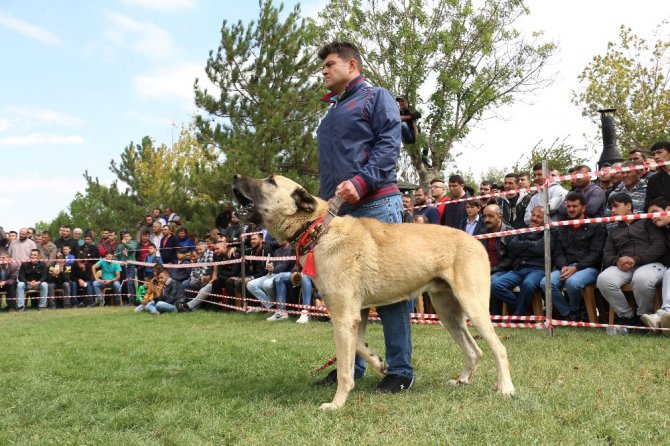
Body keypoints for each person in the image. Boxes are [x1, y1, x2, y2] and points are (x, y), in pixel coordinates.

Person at [315, 41, 413, 392]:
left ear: (351, 65)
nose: (323, 71)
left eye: (329, 64)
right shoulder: (332, 111)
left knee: (392, 289)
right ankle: (352, 369)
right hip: (341, 212)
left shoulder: (376, 97)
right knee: (346, 295)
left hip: (377, 204)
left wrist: (361, 180)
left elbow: (390, 145)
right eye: (322, 66)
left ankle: (400, 369)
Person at [596, 193, 666, 330]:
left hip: (650, 263)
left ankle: (643, 316)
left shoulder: (647, 222)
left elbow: (659, 246)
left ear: (629, 205)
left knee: (642, 278)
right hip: (623, 267)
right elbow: (606, 254)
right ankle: (627, 317)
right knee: (603, 279)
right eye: (611, 208)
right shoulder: (614, 231)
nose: (613, 211)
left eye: (616, 206)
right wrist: (617, 261)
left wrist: (636, 259)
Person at [539, 192, 606, 321]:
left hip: (589, 267)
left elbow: (596, 253)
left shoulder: (595, 225)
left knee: (573, 282)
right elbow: (558, 252)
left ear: (584, 208)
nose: (570, 209)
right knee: (545, 283)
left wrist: (576, 268)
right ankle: (568, 313)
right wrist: (563, 266)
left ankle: (575, 309)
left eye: (574, 206)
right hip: (566, 266)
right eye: (568, 206)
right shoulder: (562, 227)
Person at [491, 206, 555, 316]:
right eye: (533, 215)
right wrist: (531, 246)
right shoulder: (523, 229)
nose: (534, 218)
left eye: (539, 217)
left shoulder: (550, 231)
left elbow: (542, 248)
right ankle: (524, 311)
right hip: (519, 269)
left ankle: (518, 314)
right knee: (496, 285)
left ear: (546, 219)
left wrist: (524, 244)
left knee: (528, 284)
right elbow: (512, 246)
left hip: (537, 269)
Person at [640, 196, 670, 334]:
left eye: (655, 212)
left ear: (668, 209)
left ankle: (662, 316)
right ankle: (663, 317)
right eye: (650, 215)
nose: (652, 217)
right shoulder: (662, 230)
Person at [247, 239, 294, 312]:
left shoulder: (292, 250)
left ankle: (279, 307)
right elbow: (273, 265)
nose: (278, 240)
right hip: (272, 274)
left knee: (267, 284)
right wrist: (270, 267)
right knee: (250, 285)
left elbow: (284, 267)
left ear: (285, 237)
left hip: (283, 275)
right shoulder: (277, 251)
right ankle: (272, 306)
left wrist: (273, 268)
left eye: (279, 238)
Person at [644, 141, 670, 210]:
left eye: (659, 152)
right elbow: (648, 205)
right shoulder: (653, 180)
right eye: (653, 154)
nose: (656, 157)